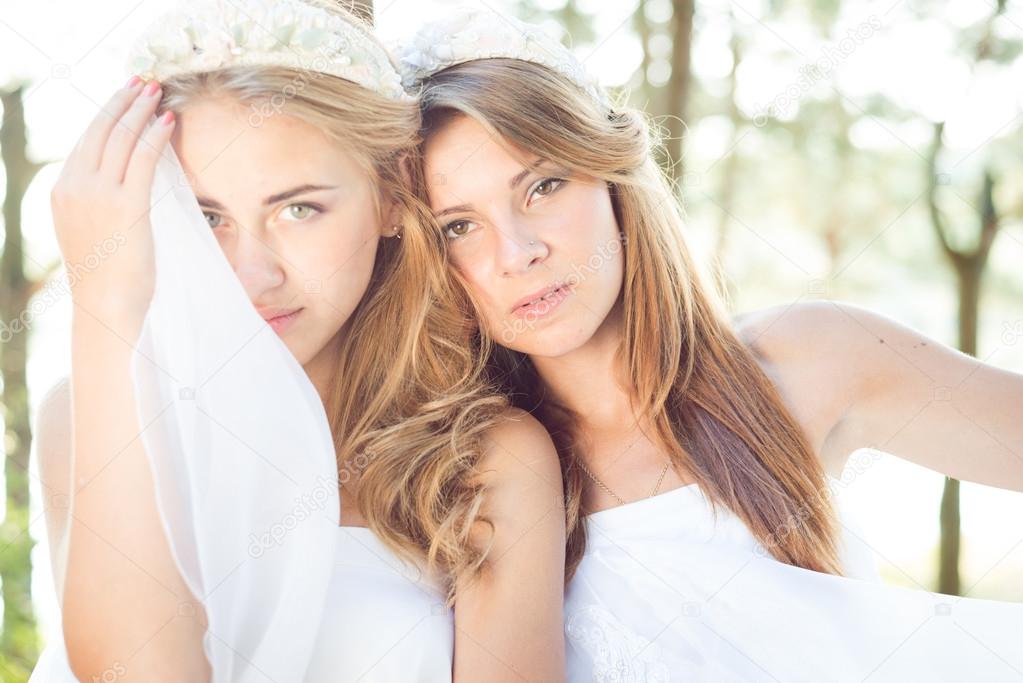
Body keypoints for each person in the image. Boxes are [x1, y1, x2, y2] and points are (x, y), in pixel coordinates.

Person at [400, 8, 1023, 680]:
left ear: (612, 182)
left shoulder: (808, 357)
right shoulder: (475, 471)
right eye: (458, 227)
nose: (516, 253)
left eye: (542, 187)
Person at [32, 2, 566, 680]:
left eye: (298, 209)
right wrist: (104, 305)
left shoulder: (483, 463)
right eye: (206, 217)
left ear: (392, 195)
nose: (252, 274)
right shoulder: (87, 418)